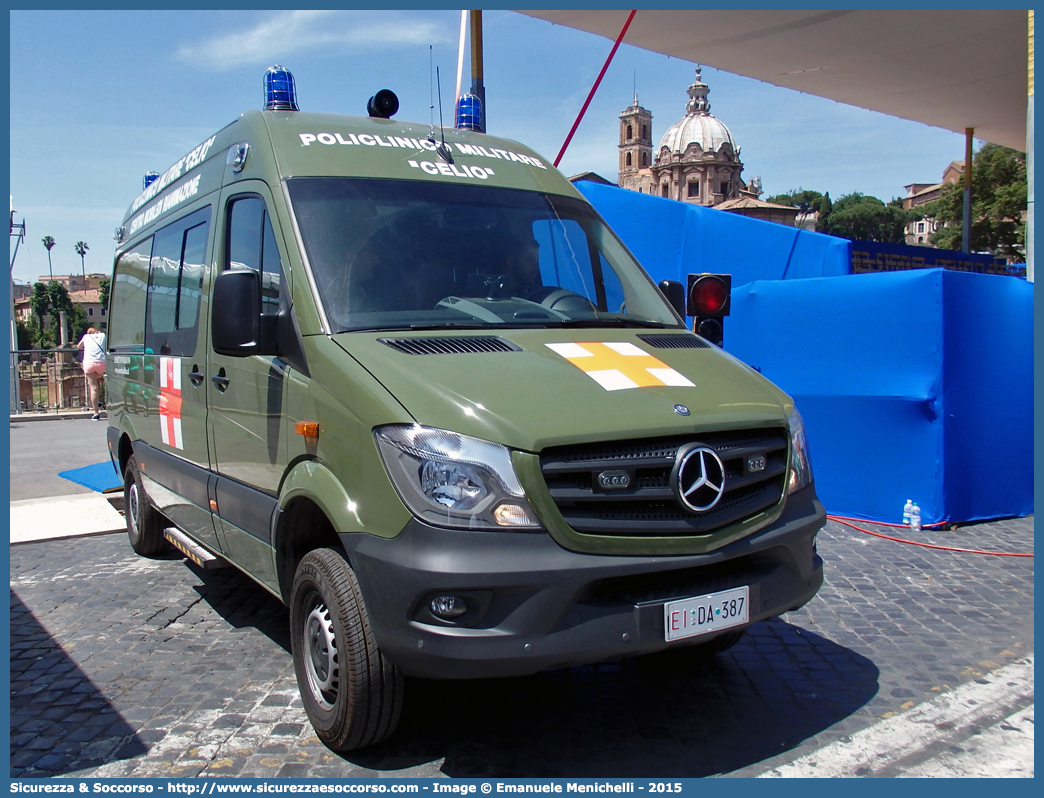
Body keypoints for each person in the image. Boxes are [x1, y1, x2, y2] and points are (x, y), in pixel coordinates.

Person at [78, 326, 106, 420]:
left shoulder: (86, 337)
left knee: (93, 388)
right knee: (103, 383)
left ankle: (96, 412)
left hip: (89, 364)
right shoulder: (103, 335)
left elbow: (79, 346)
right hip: (102, 363)